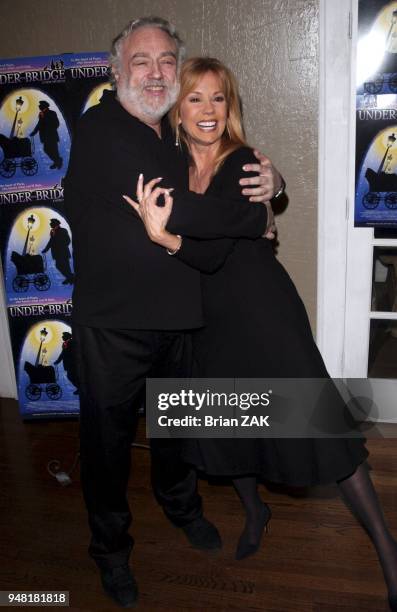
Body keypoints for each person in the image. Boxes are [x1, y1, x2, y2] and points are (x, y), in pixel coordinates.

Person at [125, 56, 397, 611]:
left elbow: (229, 238)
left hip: (264, 315)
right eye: (195, 98)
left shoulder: (243, 161)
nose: (207, 110)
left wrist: (170, 228)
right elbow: (219, 232)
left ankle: (390, 555)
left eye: (218, 98)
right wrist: (179, 221)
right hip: (202, 321)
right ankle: (256, 512)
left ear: (231, 108)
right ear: (177, 109)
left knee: (326, 433)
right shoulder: (171, 167)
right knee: (227, 423)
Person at [64, 17, 283, 609]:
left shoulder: (176, 136)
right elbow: (180, 207)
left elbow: (223, 175)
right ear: (117, 71)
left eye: (166, 62)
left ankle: (182, 508)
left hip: (181, 319)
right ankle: (110, 554)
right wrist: (259, 216)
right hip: (112, 325)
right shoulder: (101, 130)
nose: (155, 73)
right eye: (141, 61)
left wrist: (273, 181)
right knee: (107, 449)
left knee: (176, 430)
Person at [30, 101, 62, 169]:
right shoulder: (42, 114)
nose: (39, 107)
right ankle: (57, 161)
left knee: (53, 150)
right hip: (45, 137)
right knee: (48, 150)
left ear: (44, 106)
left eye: (41, 105)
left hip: (52, 136)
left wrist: (44, 118)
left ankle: (57, 162)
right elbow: (39, 125)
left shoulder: (52, 113)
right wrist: (34, 132)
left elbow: (56, 124)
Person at [42, 218, 74, 285]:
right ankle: (70, 278)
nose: (51, 225)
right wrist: (46, 249)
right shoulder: (53, 232)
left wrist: (60, 246)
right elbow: (51, 242)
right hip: (58, 254)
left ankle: (70, 278)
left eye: (52, 224)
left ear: (56, 224)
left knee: (61, 266)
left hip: (63, 253)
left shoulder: (63, 230)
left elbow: (68, 241)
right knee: (63, 267)